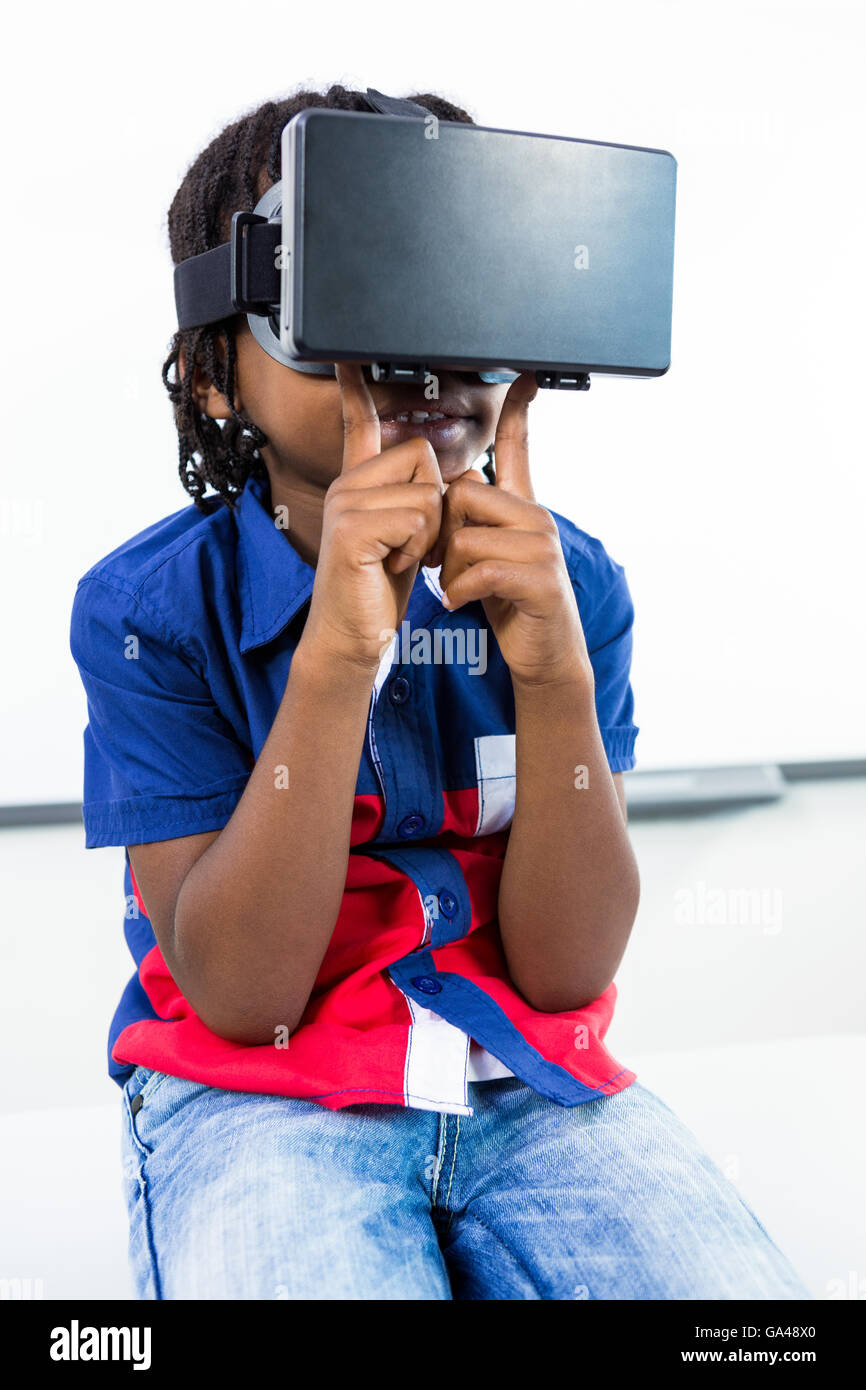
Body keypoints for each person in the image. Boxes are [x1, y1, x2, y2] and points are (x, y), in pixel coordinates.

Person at [69, 84, 810, 1300]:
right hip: (263, 1093)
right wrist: (338, 658)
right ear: (215, 373)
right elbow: (243, 999)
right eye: (352, 294)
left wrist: (554, 674)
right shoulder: (146, 613)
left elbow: (567, 972)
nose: (422, 357)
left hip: (527, 1077)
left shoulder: (573, 585)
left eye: (464, 289)